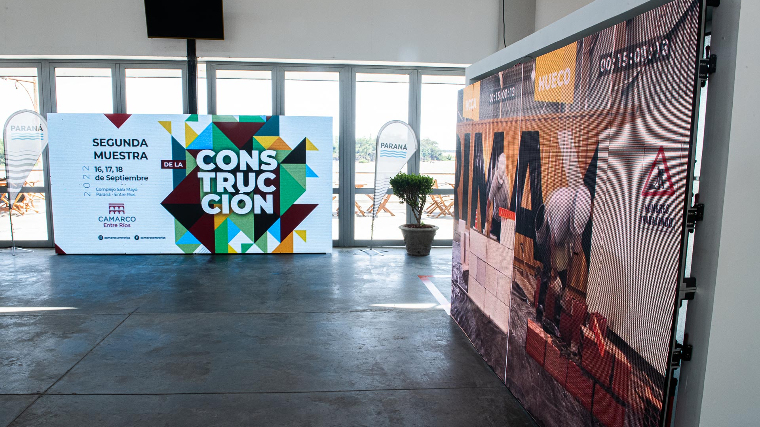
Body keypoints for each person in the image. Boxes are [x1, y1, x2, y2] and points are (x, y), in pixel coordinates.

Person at [534, 185, 591, 336]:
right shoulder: (562, 212)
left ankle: (556, 321)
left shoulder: (580, 214)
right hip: (548, 227)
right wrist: (554, 274)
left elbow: (574, 252)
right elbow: (553, 242)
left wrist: (565, 284)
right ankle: (539, 313)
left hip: (561, 236)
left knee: (562, 280)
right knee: (547, 272)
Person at [486, 153, 510, 242]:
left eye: (504, 163)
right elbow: (490, 198)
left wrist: (508, 214)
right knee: (495, 240)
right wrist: (487, 217)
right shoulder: (496, 177)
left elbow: (508, 198)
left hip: (505, 217)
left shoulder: (506, 177)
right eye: (501, 163)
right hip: (497, 217)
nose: (502, 166)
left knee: (503, 241)